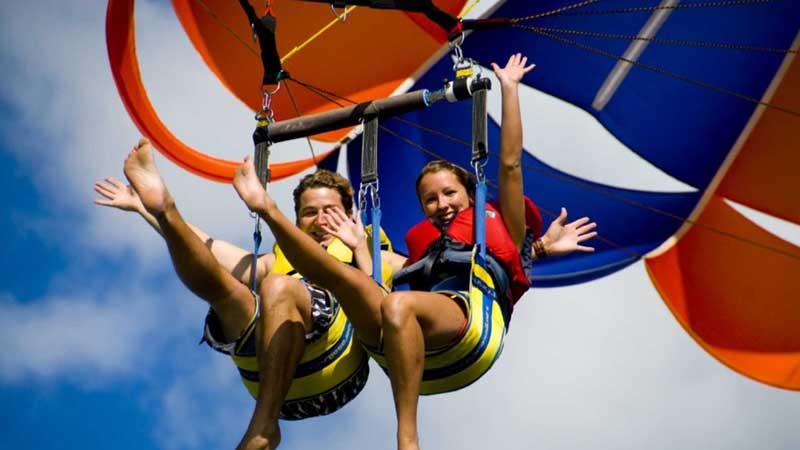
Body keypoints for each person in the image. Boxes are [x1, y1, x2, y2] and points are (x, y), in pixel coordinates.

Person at [231, 53, 597, 450]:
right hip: (404, 340)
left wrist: (509, 90)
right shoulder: (422, 245)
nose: (441, 204)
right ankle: (265, 428)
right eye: (429, 200)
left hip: (472, 326)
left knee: (397, 307)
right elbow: (379, 284)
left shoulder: (498, 220)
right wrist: (358, 248)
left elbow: (509, 165)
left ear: (470, 193)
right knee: (343, 277)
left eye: (449, 194)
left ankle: (407, 441)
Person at [94, 139, 392, 450]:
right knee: (226, 293)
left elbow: (398, 294)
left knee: (277, 286)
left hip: (337, 376)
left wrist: (361, 250)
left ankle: (264, 427)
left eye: (330, 211)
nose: (320, 221)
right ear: (298, 222)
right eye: (309, 213)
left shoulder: (369, 251)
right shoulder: (275, 263)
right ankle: (165, 207)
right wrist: (147, 209)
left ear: (350, 216)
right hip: (274, 381)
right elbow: (208, 246)